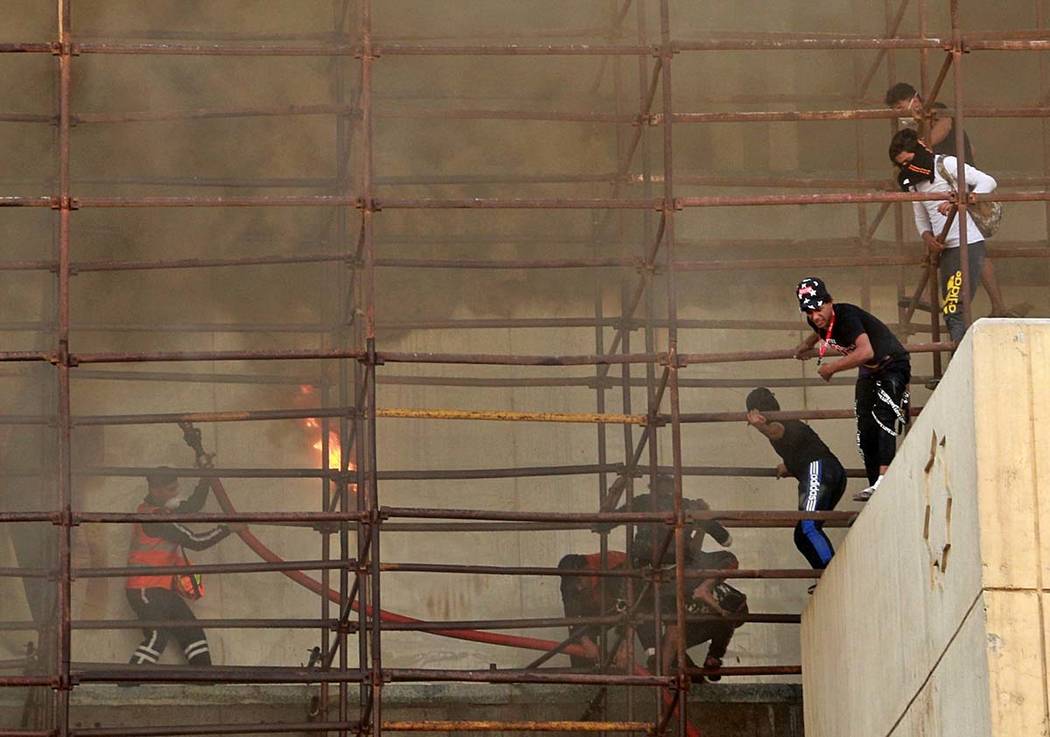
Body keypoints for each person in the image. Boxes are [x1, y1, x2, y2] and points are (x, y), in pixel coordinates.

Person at [886, 82, 1018, 318]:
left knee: (964, 246)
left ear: (913, 99)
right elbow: (971, 148)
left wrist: (922, 146)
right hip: (951, 184)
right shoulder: (921, 127)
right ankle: (996, 306)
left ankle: (991, 306)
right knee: (947, 242)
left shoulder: (936, 111)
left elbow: (945, 127)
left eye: (899, 106)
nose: (900, 113)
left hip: (960, 185)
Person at [792, 278, 910, 502]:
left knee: (883, 416)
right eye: (808, 312)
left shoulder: (846, 316)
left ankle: (884, 478)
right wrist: (806, 345)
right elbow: (821, 332)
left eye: (818, 308)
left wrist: (832, 368)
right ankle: (873, 482)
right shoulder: (817, 321)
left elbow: (865, 351)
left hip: (892, 364)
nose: (815, 316)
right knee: (865, 428)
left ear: (830, 302)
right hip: (869, 370)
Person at [889, 128, 998, 344]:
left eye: (909, 161)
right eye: (901, 165)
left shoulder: (946, 165)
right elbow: (920, 215)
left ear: (920, 148)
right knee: (952, 309)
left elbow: (988, 182)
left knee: (954, 307)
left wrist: (960, 199)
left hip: (967, 246)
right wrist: (927, 237)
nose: (907, 167)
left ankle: (959, 361)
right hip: (946, 251)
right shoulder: (913, 182)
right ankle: (960, 359)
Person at [125, 468, 239, 669]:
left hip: (162, 587)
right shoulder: (157, 518)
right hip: (145, 588)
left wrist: (206, 476)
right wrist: (228, 529)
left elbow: (194, 505)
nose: (175, 494)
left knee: (192, 633)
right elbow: (196, 541)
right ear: (156, 490)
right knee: (157, 637)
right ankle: (126, 685)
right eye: (171, 489)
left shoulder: (160, 510)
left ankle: (205, 683)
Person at [592, 474, 737, 616]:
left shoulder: (640, 502)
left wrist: (616, 488)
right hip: (679, 572)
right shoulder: (687, 506)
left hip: (643, 573)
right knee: (728, 559)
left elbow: (601, 525)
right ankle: (704, 588)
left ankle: (701, 590)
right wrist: (705, 515)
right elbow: (726, 540)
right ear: (674, 488)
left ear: (651, 487)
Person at [744, 388, 847, 568]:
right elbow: (799, 448)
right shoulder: (791, 424)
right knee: (801, 534)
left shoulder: (780, 423)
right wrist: (789, 465)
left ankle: (831, 572)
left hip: (819, 470)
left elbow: (775, 431)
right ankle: (823, 572)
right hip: (828, 473)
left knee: (809, 526)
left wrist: (759, 426)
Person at [557, 551, 629, 668]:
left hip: (623, 604)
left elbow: (633, 608)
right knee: (577, 636)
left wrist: (625, 646)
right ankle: (584, 680)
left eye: (579, 581)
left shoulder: (614, 569)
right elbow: (571, 615)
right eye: (574, 584)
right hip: (599, 606)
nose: (578, 588)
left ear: (587, 570)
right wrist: (585, 642)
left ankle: (650, 667)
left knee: (644, 618)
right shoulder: (568, 580)